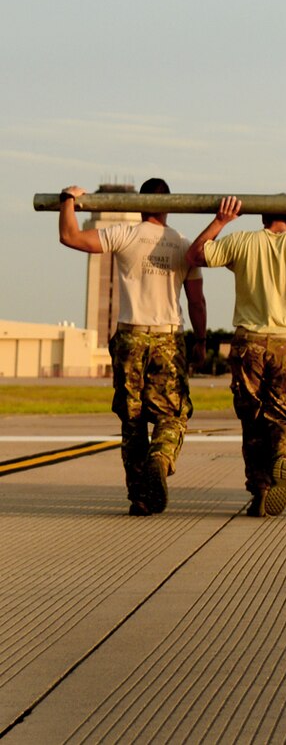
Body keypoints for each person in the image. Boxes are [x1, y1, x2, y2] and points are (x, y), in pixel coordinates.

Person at [185, 196, 286, 517]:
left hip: (248, 342)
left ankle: (259, 490)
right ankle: (285, 460)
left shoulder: (242, 241)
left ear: (262, 217)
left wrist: (221, 221)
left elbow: (195, 254)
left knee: (253, 421)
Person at [55, 180, 205, 515]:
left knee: (132, 419)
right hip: (168, 336)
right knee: (173, 413)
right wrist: (202, 340)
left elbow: (70, 237)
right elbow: (196, 301)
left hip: (130, 335)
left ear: (138, 203)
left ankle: (140, 496)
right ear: (172, 205)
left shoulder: (125, 234)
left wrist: (67, 200)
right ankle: (161, 457)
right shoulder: (184, 245)